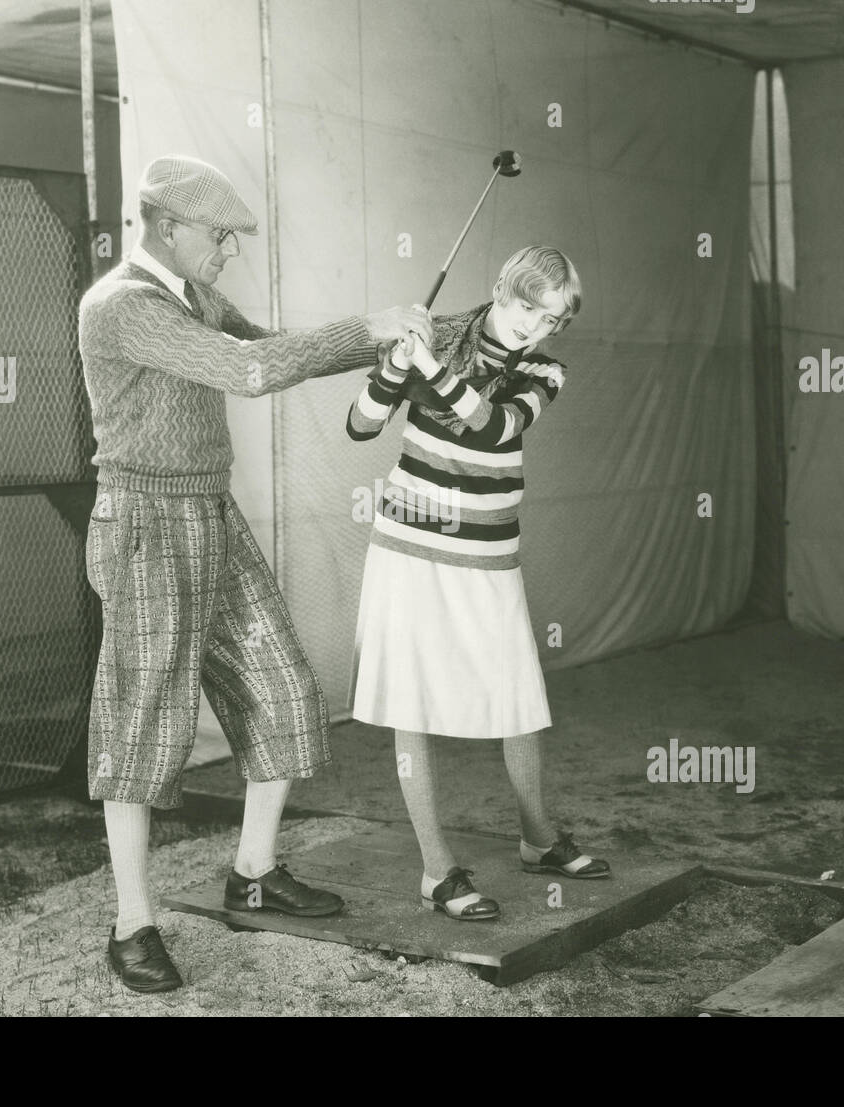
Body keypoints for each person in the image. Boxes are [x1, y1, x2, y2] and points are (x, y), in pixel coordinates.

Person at [80, 154, 431, 992]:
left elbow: (270, 347)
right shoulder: (123, 305)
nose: (229, 250)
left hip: (208, 509)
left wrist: (434, 331)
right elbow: (247, 371)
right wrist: (369, 324)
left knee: (280, 689)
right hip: (144, 524)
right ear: (166, 226)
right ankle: (132, 926)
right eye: (220, 236)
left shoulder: (194, 296)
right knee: (142, 728)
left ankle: (255, 871)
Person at [345, 245, 609, 921]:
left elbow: (492, 429)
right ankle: (437, 871)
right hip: (409, 544)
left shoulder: (545, 369)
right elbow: (360, 424)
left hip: (488, 552)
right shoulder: (439, 334)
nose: (535, 326)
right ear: (500, 287)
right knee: (412, 701)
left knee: (516, 695)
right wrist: (395, 368)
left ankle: (535, 834)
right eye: (527, 306)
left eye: (552, 318)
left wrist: (427, 366)